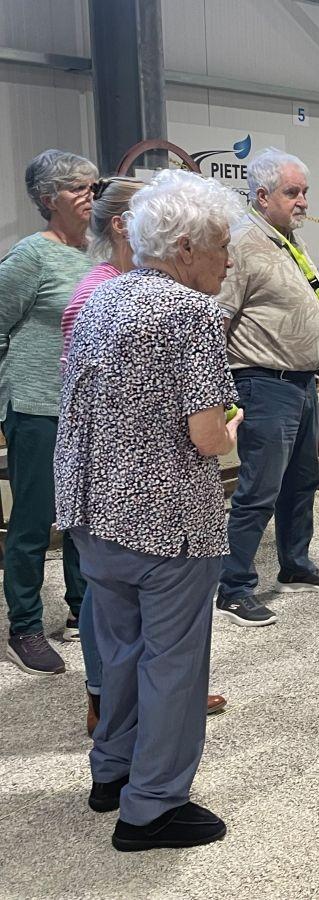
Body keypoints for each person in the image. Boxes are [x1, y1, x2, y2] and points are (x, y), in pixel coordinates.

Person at [54, 169, 244, 851]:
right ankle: (152, 809)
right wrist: (234, 426)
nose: (229, 260)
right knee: (174, 663)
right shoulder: (191, 313)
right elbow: (206, 435)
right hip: (165, 521)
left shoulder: (102, 296)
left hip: (93, 512)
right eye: (221, 246)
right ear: (186, 247)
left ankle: (112, 773)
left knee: (122, 650)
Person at [216, 148, 319, 628]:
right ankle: (233, 587)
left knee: (301, 480)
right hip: (262, 382)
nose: (303, 201)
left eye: (305, 191)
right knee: (259, 490)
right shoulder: (242, 243)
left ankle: (295, 564)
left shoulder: (286, 238)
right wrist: (220, 391)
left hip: (300, 382)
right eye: (293, 192)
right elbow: (218, 318)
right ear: (262, 195)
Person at [0, 149, 98, 676]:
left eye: (91, 186)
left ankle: (84, 610)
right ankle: (25, 627)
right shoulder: (30, 257)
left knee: (85, 516)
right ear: (47, 198)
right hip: (36, 406)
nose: (89, 196)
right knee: (35, 521)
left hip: (86, 409)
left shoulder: (97, 253)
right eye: (76, 188)